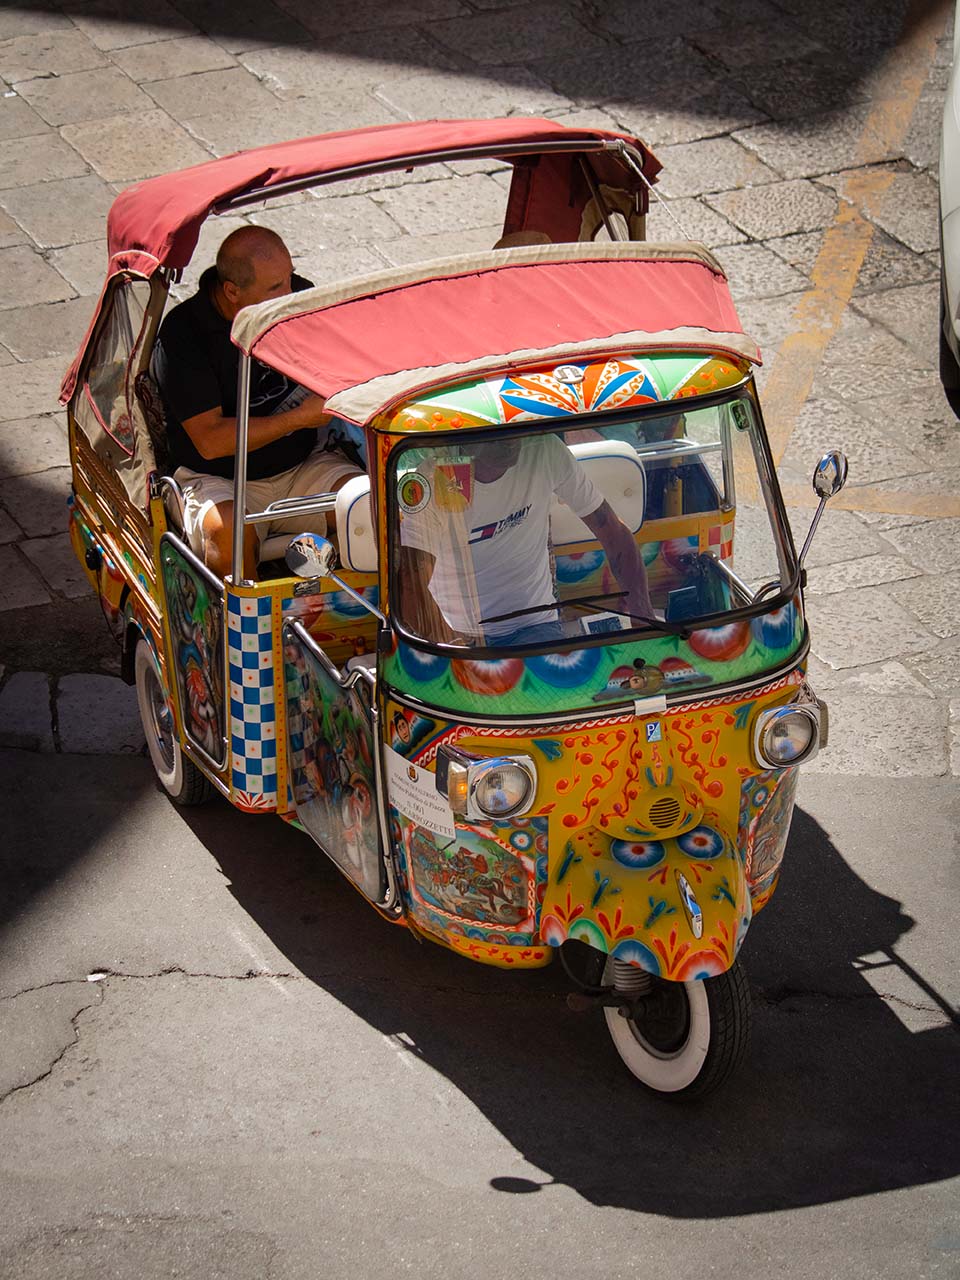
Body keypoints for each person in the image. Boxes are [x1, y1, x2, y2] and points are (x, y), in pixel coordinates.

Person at [153, 226, 363, 578]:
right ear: (232, 291)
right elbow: (211, 440)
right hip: (220, 478)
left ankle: (370, 619)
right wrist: (297, 419)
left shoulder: (296, 298)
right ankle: (248, 631)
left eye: (289, 278)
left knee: (372, 505)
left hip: (301, 466)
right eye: (274, 288)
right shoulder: (183, 335)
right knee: (228, 534)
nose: (289, 294)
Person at [399, 433, 654, 647]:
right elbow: (410, 583)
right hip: (461, 634)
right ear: (466, 432)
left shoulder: (544, 450)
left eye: (516, 423)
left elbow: (612, 530)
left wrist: (644, 618)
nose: (511, 437)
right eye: (494, 430)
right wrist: (453, 650)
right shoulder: (433, 478)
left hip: (537, 625)